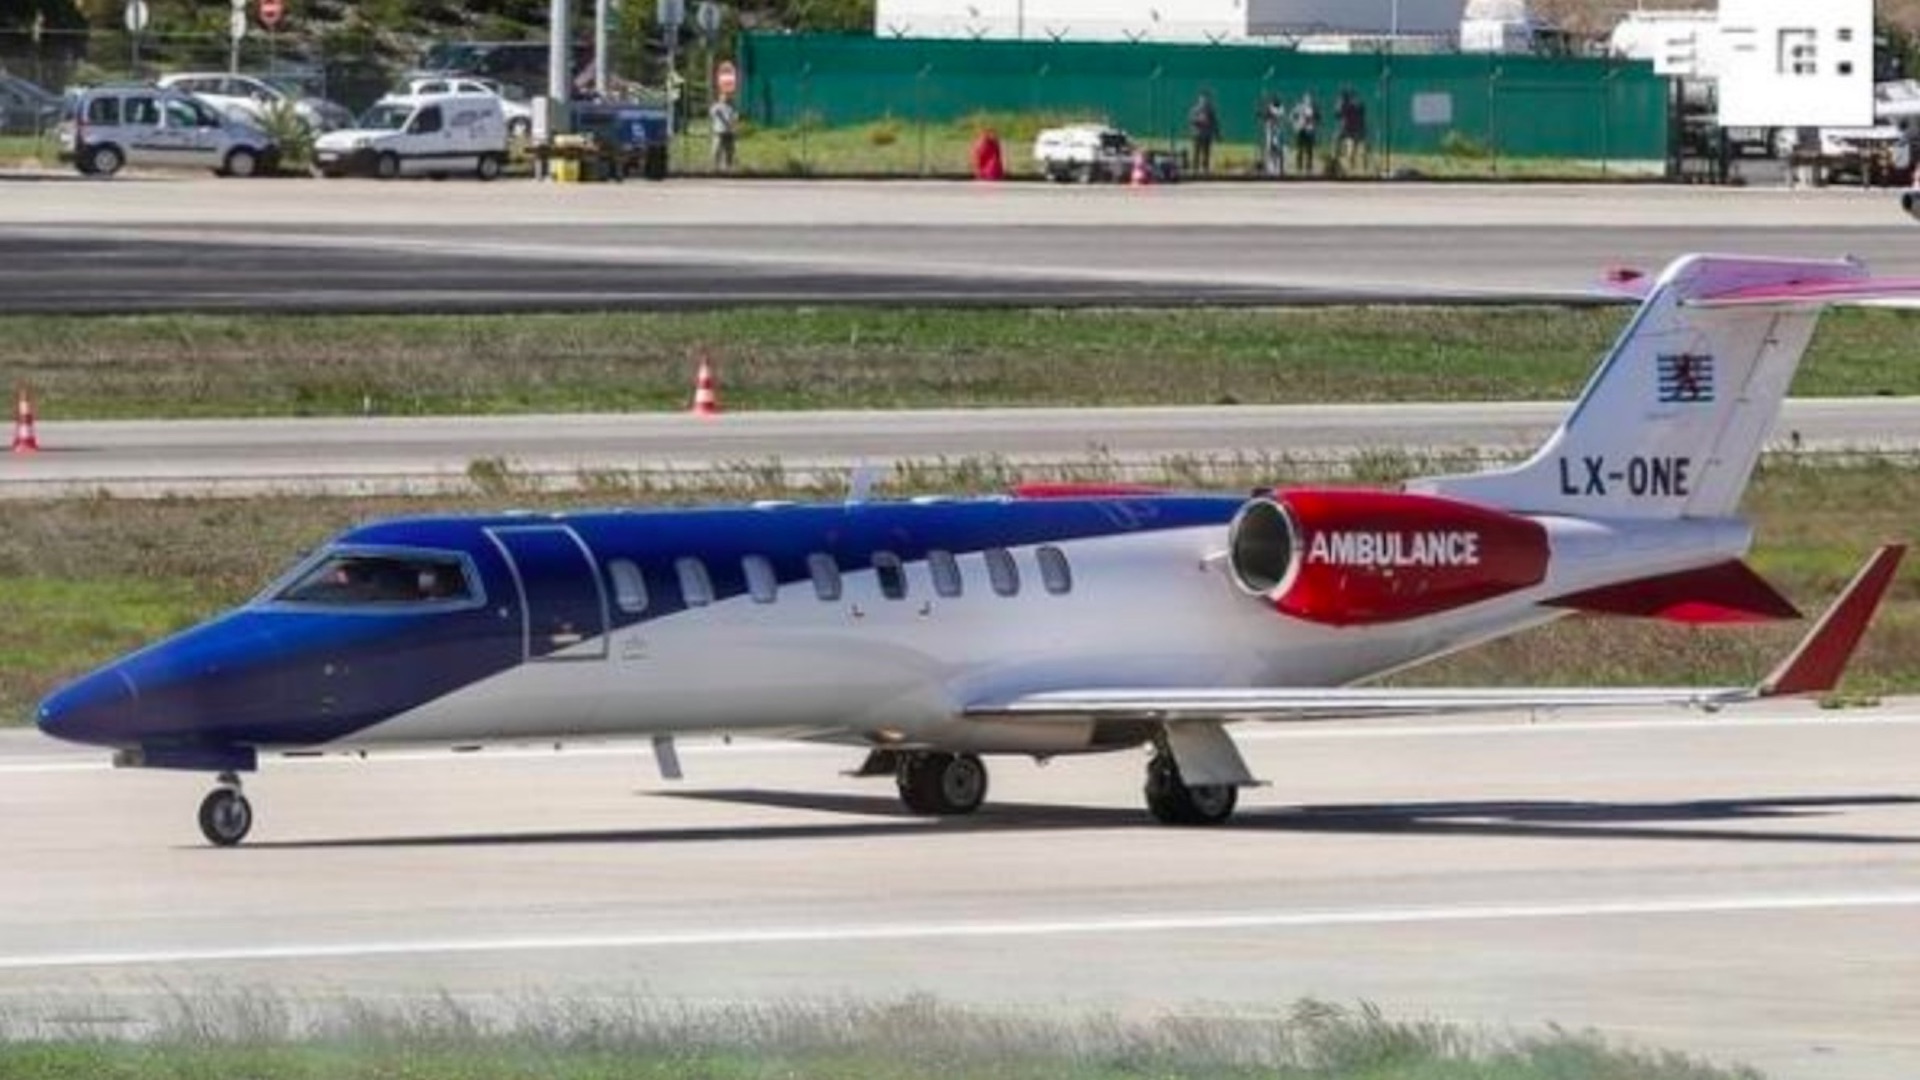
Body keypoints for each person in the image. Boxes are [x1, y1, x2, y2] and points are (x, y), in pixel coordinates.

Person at [1336, 88, 1368, 176]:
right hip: (1350, 131)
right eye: (1352, 97)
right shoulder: (1346, 106)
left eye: (1355, 97)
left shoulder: (1359, 106)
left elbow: (1361, 116)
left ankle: (1364, 169)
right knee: (1351, 151)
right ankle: (1351, 168)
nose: (1354, 99)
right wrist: (1341, 103)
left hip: (1359, 131)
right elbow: (1338, 114)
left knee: (1362, 151)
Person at [1188, 90, 1219, 175]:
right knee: (1196, 152)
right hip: (1197, 134)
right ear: (1199, 99)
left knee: (1206, 152)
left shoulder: (1211, 110)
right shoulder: (1194, 109)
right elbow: (1191, 120)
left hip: (1207, 134)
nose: (1204, 100)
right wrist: (1199, 120)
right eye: (1202, 99)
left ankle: (1205, 169)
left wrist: (1217, 134)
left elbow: (1215, 122)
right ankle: (1194, 169)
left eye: (1206, 99)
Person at [1256, 92, 1285, 177]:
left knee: (1277, 149)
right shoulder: (1271, 108)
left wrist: (1266, 110)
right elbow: (1266, 116)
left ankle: (1278, 168)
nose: (1274, 102)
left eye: (1275, 101)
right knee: (1268, 149)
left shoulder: (1280, 109)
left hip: (1277, 132)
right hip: (1269, 131)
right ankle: (1270, 168)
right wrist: (1260, 113)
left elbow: (1273, 115)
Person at [1290, 91, 1319, 176]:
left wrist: (1314, 124)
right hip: (1301, 130)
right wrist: (1295, 125)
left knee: (1309, 150)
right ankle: (1299, 168)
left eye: (1309, 99)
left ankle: (1309, 168)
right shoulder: (1299, 107)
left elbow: (1317, 118)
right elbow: (1291, 116)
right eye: (1306, 99)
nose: (1308, 100)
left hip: (1309, 131)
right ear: (1303, 99)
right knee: (1300, 149)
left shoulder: (1313, 108)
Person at [709, 96, 738, 172]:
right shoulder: (716, 107)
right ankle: (715, 166)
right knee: (716, 149)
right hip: (719, 131)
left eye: (726, 97)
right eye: (723, 97)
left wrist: (734, 128)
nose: (725, 99)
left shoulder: (731, 108)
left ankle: (728, 167)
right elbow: (713, 114)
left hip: (729, 132)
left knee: (729, 150)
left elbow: (734, 118)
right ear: (720, 98)